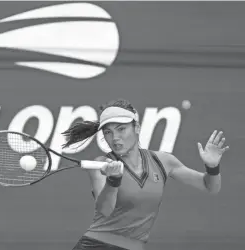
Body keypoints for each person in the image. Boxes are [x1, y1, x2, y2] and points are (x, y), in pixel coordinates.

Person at [62, 99, 229, 250]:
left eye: (121, 129)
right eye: (108, 132)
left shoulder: (163, 161)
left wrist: (212, 167)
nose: (115, 138)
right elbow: (104, 210)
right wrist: (113, 181)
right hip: (96, 246)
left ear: (137, 128)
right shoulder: (101, 164)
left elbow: (209, 186)